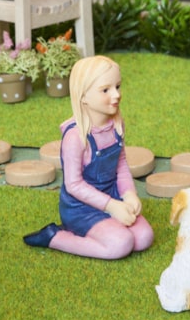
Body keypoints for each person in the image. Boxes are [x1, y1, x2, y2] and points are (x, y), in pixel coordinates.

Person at [23, 56, 154, 259]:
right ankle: (54, 237)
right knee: (121, 244)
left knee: (144, 237)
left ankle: (109, 225)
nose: (116, 95)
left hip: (112, 195)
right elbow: (74, 185)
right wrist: (111, 206)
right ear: (83, 96)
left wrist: (129, 194)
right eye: (105, 90)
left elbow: (121, 165)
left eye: (118, 86)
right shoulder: (75, 137)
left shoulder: (116, 125)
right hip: (82, 208)